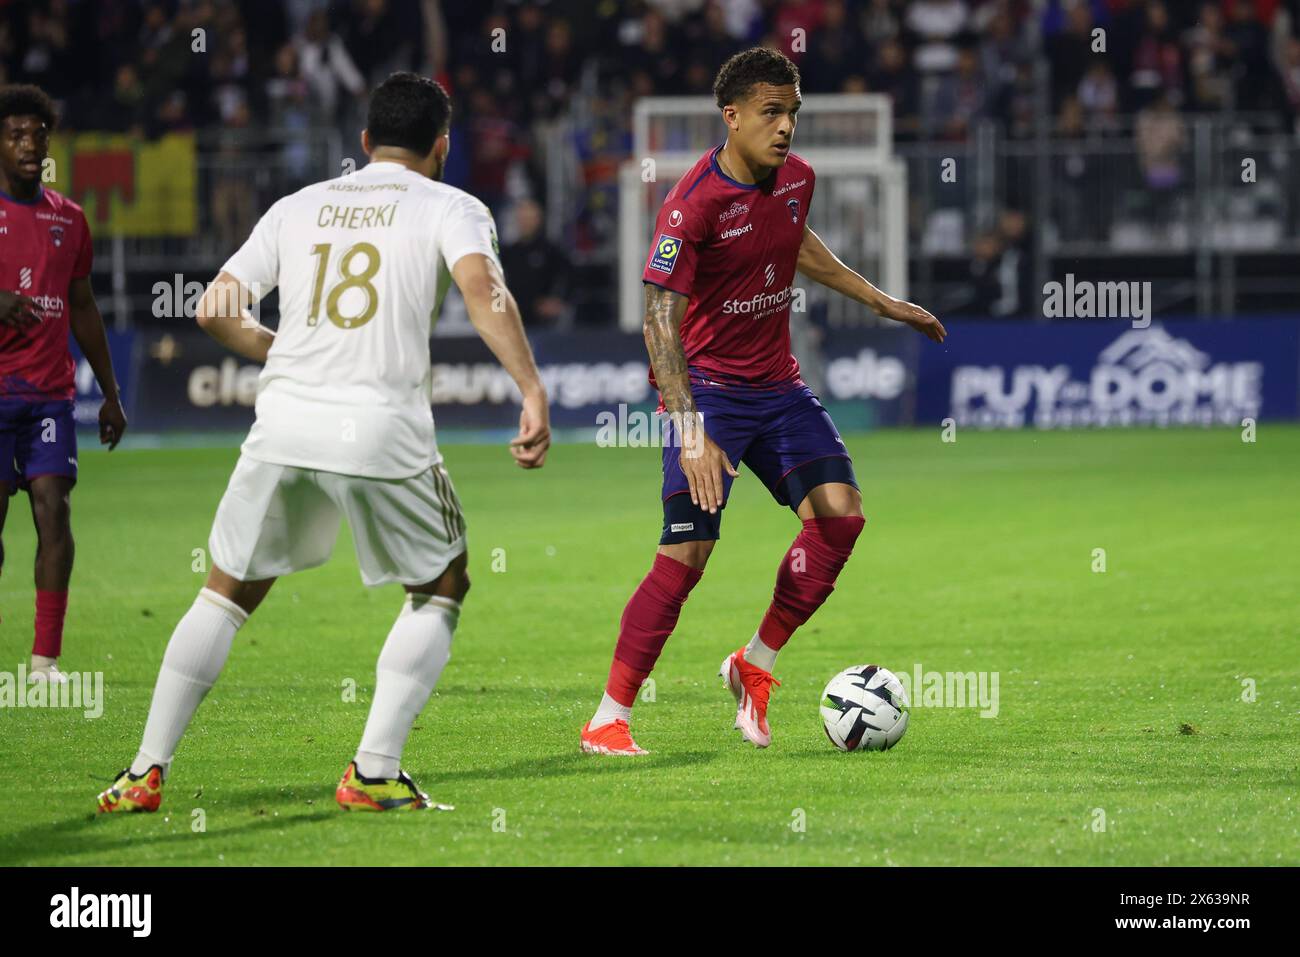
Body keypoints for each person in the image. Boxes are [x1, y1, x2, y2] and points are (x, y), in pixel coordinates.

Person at [97, 72, 550, 814]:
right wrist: (531, 387)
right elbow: (483, 291)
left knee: (227, 588)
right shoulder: (453, 205)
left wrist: (287, 350)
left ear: (364, 143)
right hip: (380, 427)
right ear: (443, 145)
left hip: (284, 420)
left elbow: (215, 307)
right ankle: (374, 769)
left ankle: (144, 770)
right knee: (441, 582)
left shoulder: (299, 204)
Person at [579, 49, 945, 756]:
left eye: (793, 113)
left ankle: (756, 662)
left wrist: (883, 300)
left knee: (841, 517)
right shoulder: (693, 204)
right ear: (734, 115)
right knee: (688, 551)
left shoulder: (796, 179)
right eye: (772, 113)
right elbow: (658, 320)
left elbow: (797, 242)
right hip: (708, 393)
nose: (786, 128)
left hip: (778, 386)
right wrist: (689, 427)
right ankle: (609, 715)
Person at [0, 83, 127, 681]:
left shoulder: (69, 218)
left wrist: (110, 392)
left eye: (37, 134)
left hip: (49, 393)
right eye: (15, 134)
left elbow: (82, 305)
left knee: (55, 512)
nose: (29, 144)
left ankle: (44, 661)